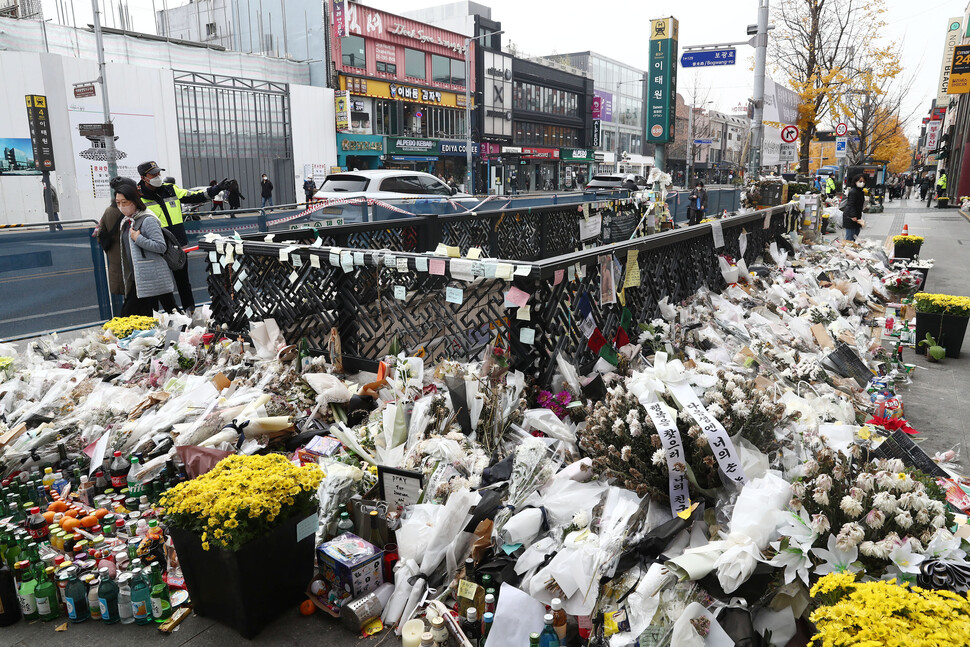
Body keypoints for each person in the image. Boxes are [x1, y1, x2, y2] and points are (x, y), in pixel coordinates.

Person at [136, 160, 226, 313]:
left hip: (178, 246)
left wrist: (216, 189)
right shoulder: (138, 197)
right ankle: (158, 318)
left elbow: (194, 196)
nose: (158, 176)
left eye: (159, 173)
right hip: (157, 248)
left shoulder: (170, 189)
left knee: (183, 282)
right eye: (153, 174)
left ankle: (189, 312)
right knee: (158, 286)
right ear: (144, 177)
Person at [114, 182, 178, 317]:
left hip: (151, 276)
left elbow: (161, 246)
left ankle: (185, 332)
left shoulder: (147, 220)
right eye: (118, 203)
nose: (121, 206)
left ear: (134, 201)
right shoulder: (127, 221)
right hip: (137, 276)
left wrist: (138, 239)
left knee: (132, 315)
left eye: (124, 202)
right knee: (155, 313)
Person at [95, 176, 137, 315]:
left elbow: (99, 234)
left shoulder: (108, 211)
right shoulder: (132, 210)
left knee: (128, 296)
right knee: (135, 299)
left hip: (116, 260)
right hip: (132, 260)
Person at [842, 173, 866, 242]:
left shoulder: (860, 191)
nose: (862, 183)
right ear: (855, 182)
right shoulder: (853, 192)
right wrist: (853, 215)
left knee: (855, 236)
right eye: (860, 181)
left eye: (864, 181)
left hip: (856, 217)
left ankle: (851, 250)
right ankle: (847, 250)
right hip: (850, 217)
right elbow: (851, 205)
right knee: (849, 238)